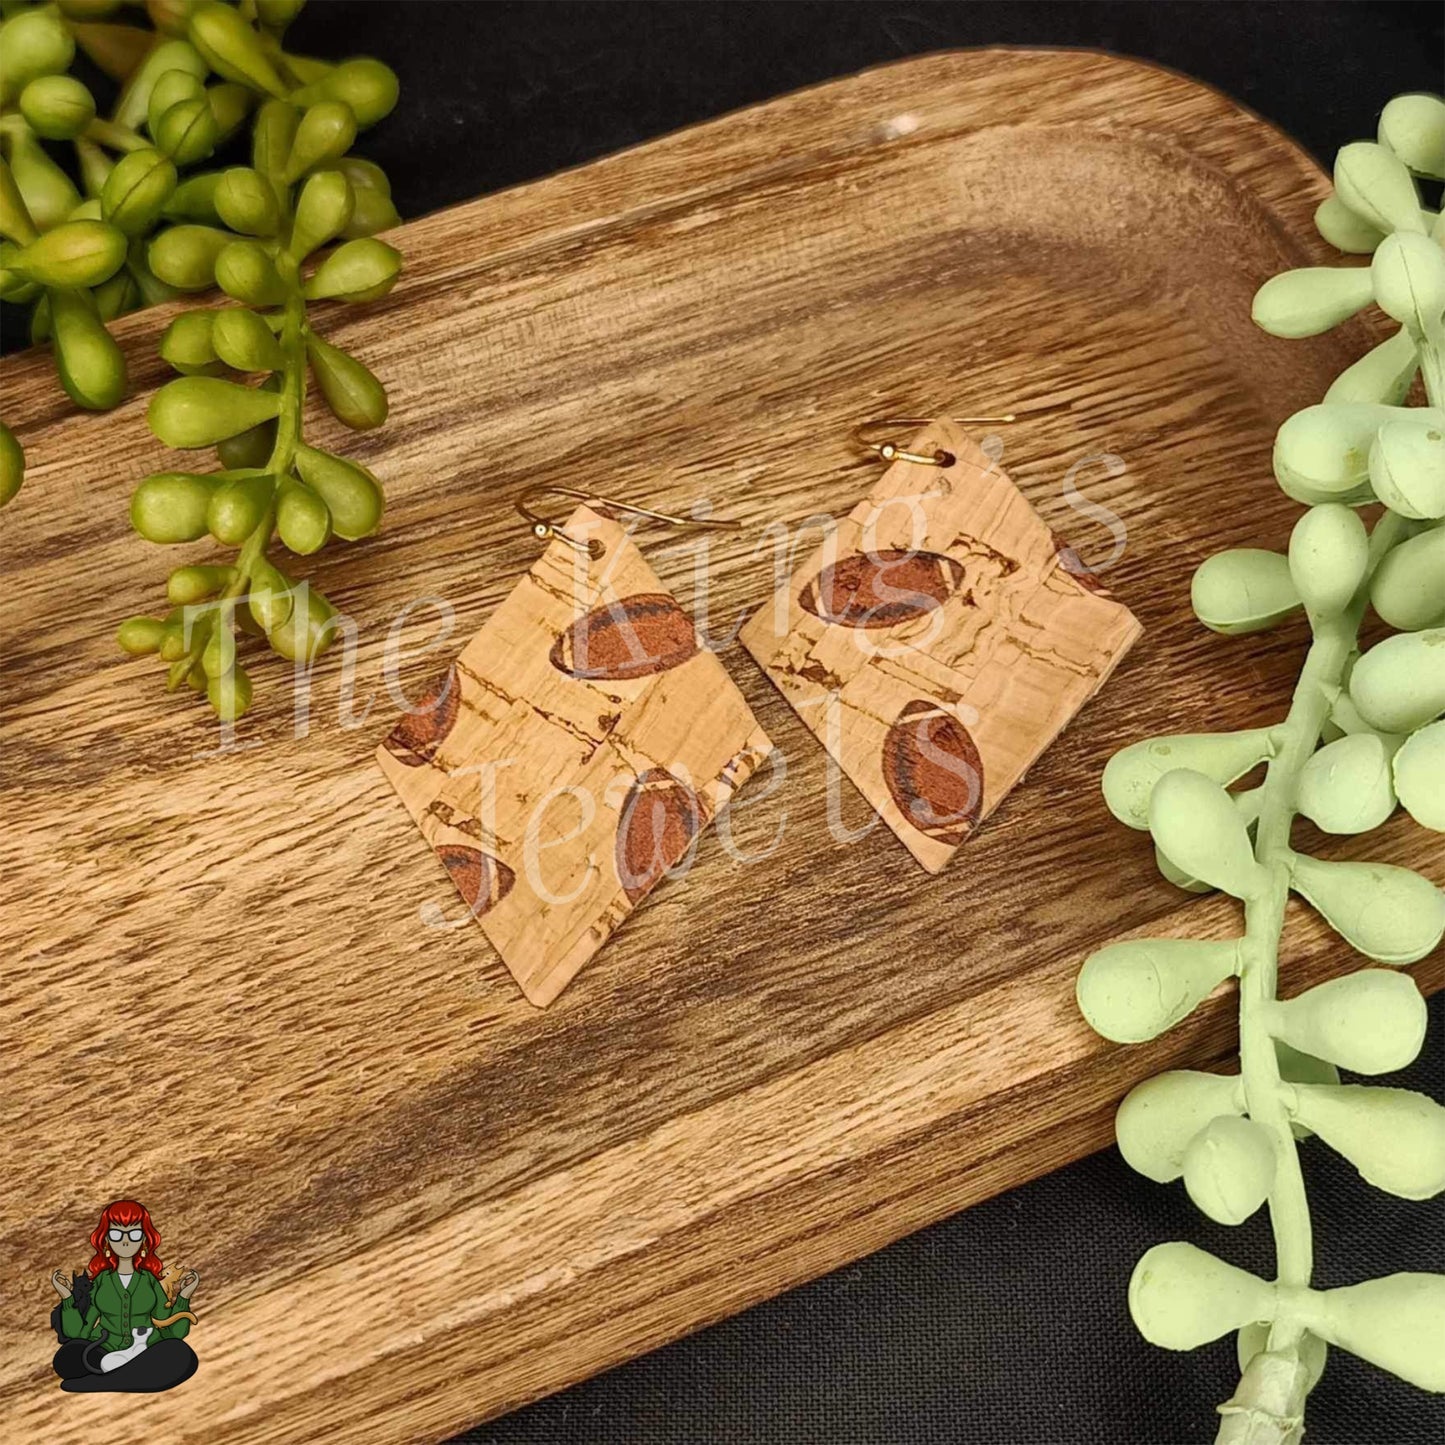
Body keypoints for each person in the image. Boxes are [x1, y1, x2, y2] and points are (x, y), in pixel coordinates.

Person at [49, 1199, 200, 1393]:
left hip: (146, 1352)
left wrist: (184, 1298)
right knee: (67, 1358)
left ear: (144, 1240)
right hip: (105, 1350)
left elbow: (174, 1332)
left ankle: (104, 1381)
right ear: (106, 1240)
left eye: (134, 1234)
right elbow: (79, 1333)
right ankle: (129, 1377)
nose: (125, 1241)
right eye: (116, 1234)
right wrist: (67, 1298)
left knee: (180, 1353)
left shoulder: (149, 1281)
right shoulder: (102, 1281)